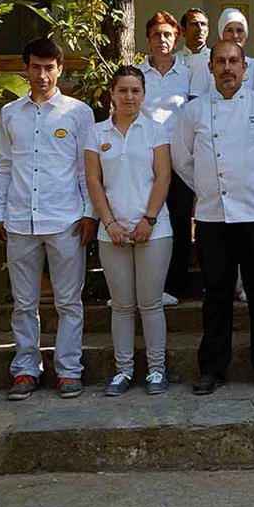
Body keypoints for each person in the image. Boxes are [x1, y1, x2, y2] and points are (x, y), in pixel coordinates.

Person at [170, 39, 254, 395]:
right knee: (216, 295)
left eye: (233, 61)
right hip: (213, 216)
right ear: (210, 67)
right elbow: (182, 159)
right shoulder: (193, 112)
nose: (227, 68)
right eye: (221, 62)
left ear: (245, 67)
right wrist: (209, 187)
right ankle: (212, 368)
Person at [0, 37, 96, 401]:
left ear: (60, 69)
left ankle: (69, 370)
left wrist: (89, 213)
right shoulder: (10, 114)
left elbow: (86, 169)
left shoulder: (78, 113)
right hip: (20, 219)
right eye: (36, 67)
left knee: (69, 302)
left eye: (49, 68)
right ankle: (25, 369)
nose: (42, 75)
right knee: (23, 303)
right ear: (26, 69)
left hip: (66, 219)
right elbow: (5, 165)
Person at [84, 66, 172, 397]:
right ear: (112, 93)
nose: (129, 97)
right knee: (121, 306)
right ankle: (123, 371)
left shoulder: (156, 130)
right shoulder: (96, 133)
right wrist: (109, 223)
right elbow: (93, 180)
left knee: (150, 304)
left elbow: (163, 177)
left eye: (135, 90)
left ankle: (156, 370)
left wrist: (148, 220)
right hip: (112, 232)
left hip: (154, 230)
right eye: (123, 90)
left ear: (144, 94)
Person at [137, 11, 190, 306]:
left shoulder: (188, 72)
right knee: (147, 217)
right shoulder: (137, 74)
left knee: (179, 220)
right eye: (156, 34)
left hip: (178, 158)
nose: (162, 39)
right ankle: (146, 284)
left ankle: (175, 285)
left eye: (167, 34)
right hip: (145, 159)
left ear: (176, 38)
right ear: (148, 39)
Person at [189, 8, 254, 96]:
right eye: (229, 30)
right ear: (221, 33)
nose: (235, 35)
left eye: (239, 30)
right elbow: (196, 99)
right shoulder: (203, 65)